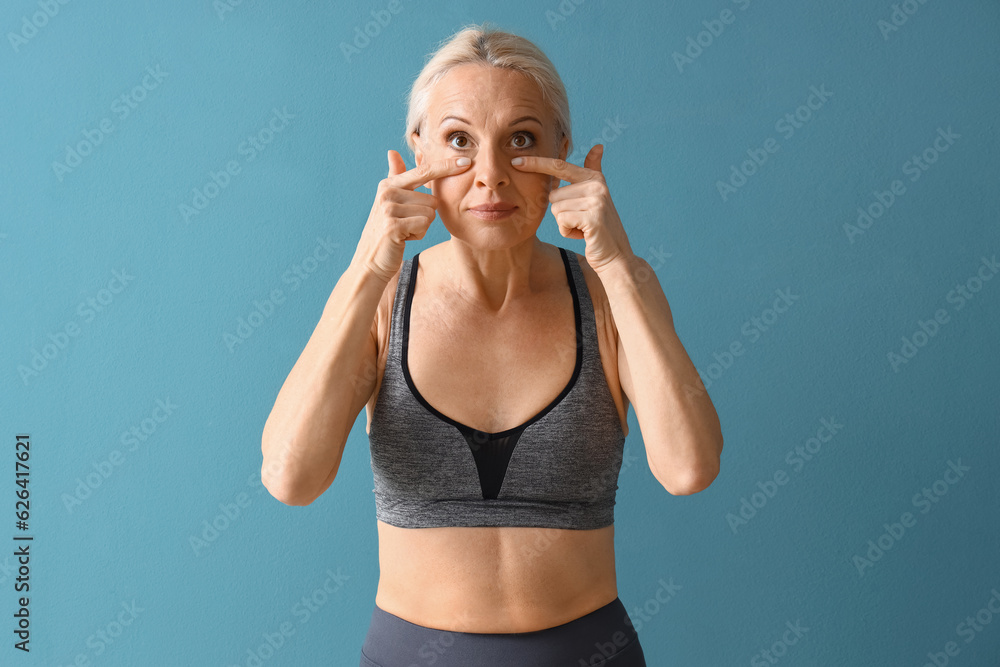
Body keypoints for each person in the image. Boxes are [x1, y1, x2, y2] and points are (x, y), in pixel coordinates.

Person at [261, 22, 723, 667]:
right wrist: (366, 271)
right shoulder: (381, 301)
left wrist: (618, 263)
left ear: (563, 150)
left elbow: (688, 468)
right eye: (458, 141)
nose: (490, 175)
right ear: (416, 150)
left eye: (522, 141)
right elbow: (291, 478)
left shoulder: (612, 292)